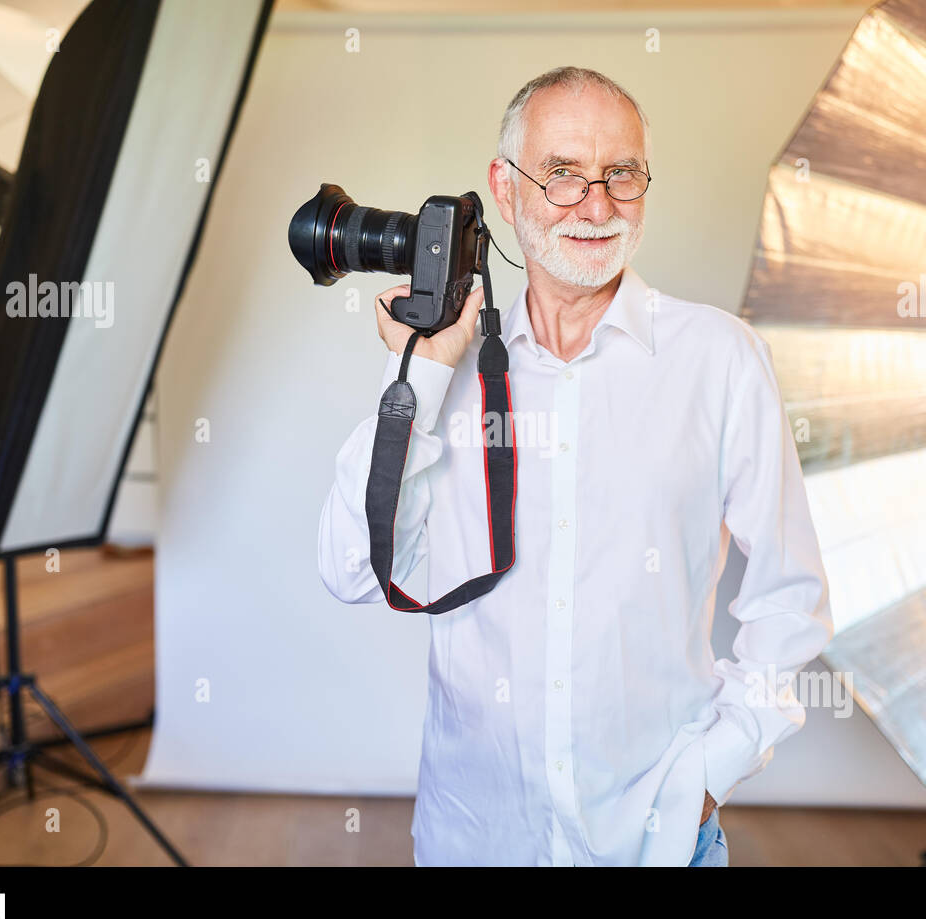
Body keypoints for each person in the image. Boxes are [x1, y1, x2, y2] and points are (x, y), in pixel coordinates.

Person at [318, 66, 833, 866]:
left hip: (657, 842)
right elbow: (350, 568)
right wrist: (420, 369)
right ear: (505, 185)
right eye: (562, 174)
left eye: (620, 175)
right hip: (475, 835)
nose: (596, 207)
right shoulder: (448, 369)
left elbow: (790, 595)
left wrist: (713, 770)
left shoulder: (720, 360)